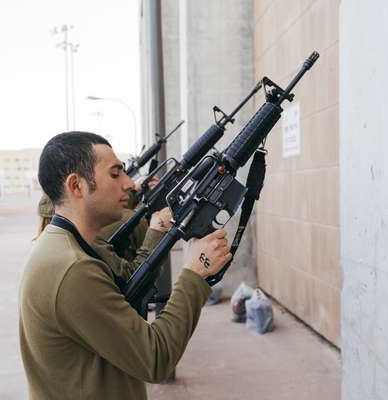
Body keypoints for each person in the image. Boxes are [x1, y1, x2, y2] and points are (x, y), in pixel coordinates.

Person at [19, 131, 232, 399]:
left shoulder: (71, 245)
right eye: (115, 174)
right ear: (76, 186)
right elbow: (155, 357)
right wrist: (195, 271)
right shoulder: (73, 270)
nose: (130, 184)